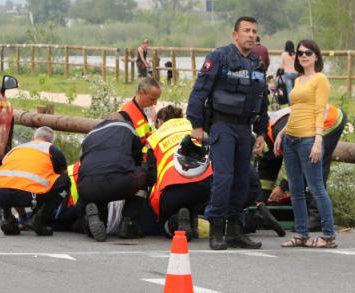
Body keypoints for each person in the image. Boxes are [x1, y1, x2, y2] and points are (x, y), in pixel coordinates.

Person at [186, 16, 269, 250]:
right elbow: (200, 91)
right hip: (222, 125)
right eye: (246, 31)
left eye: (254, 31)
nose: (251, 35)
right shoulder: (219, 57)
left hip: (245, 129)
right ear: (235, 35)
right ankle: (216, 229)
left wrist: (261, 131)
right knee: (224, 178)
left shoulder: (257, 64)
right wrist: (197, 125)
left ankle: (234, 230)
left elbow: (262, 100)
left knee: (243, 180)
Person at [276, 39, 338, 248]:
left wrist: (318, 140)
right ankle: (301, 233)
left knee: (316, 187)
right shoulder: (299, 80)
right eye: (300, 53)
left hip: (308, 138)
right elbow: (296, 109)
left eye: (308, 53)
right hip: (291, 138)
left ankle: (328, 235)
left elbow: (321, 110)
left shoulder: (320, 79)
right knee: (295, 188)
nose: (303, 56)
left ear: (316, 56)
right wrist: (281, 133)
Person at [257, 103, 347, 230]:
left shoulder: (279, 134)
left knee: (313, 166)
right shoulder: (265, 141)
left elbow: (298, 165)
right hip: (309, 124)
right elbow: (266, 175)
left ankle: (317, 219)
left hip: (328, 121)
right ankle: (309, 215)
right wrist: (259, 202)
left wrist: (282, 187)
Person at [76, 114, 148, 241]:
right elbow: (137, 159)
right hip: (118, 183)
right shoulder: (127, 127)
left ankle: (91, 220)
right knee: (143, 173)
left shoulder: (89, 135)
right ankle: (127, 222)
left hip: (85, 188)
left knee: (99, 200)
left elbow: (82, 161)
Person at [145, 105, 212, 239]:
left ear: (159, 121)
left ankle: (173, 222)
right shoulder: (195, 129)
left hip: (173, 195)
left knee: (158, 198)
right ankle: (192, 219)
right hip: (205, 189)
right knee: (194, 190)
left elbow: (152, 176)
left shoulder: (155, 138)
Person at [0, 126, 68, 236]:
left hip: (1, 194)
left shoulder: (16, 149)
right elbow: (63, 174)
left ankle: (6, 216)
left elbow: (14, 178)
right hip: (30, 195)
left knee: (8, 182)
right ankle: (38, 219)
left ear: (33, 137)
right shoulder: (52, 150)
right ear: (51, 141)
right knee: (65, 181)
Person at [118, 77, 162, 148]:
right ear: (141, 93)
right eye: (152, 99)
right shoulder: (125, 114)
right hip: (138, 158)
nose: (155, 103)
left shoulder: (149, 109)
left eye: (157, 99)